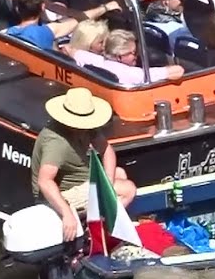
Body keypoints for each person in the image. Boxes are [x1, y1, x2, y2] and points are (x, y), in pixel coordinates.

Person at [31, 88, 136, 242]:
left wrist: (106, 185)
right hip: (63, 192)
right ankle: (100, 231)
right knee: (129, 190)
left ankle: (102, 219)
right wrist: (66, 213)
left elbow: (107, 151)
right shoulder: (56, 142)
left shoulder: (87, 129)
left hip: (81, 181)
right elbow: (45, 181)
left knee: (119, 173)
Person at [88, 29, 184, 84]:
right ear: (118, 56)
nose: (136, 56)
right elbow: (178, 71)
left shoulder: (97, 61)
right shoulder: (131, 74)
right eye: (132, 53)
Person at [5, 0, 80, 51]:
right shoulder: (47, 31)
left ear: (17, 9)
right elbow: (76, 21)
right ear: (43, 7)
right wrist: (90, 12)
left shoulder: (6, 34)